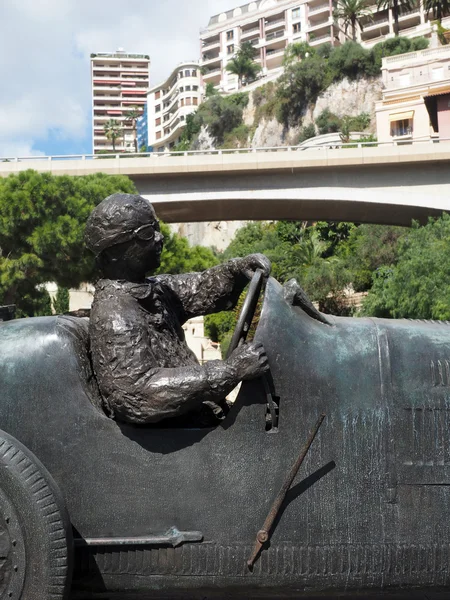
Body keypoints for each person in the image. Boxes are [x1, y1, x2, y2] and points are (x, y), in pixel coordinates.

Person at [84, 193, 271, 425]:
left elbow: (201, 289)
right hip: (176, 439)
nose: (159, 238)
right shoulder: (114, 314)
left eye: (156, 228)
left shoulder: (153, 289)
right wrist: (230, 371)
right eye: (145, 234)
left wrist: (237, 270)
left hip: (197, 420)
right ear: (113, 252)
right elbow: (138, 393)